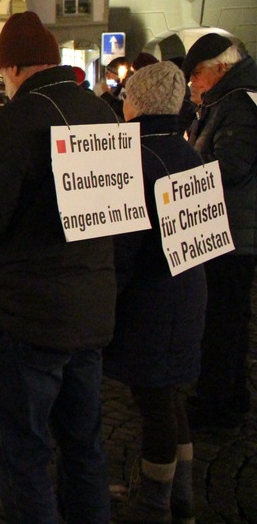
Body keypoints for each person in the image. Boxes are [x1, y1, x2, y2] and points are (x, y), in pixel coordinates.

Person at [0, 11, 117, 524]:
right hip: (90, 311)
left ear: (14, 67)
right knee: (84, 450)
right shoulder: (101, 114)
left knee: (21, 456)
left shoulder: (11, 125)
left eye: (2, 74)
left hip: (26, 315)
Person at [105, 61, 206, 523]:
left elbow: (124, 247)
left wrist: (107, 296)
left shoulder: (136, 158)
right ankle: (181, 497)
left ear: (137, 103)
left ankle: (155, 505)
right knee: (169, 397)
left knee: (155, 404)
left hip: (151, 301)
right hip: (187, 292)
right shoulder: (189, 152)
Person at [183, 33, 257, 431]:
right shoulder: (224, 100)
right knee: (228, 318)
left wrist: (189, 164)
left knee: (222, 320)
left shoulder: (238, 103)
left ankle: (217, 401)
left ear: (221, 67)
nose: (193, 82)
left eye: (197, 74)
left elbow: (233, 165)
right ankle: (229, 394)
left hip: (232, 230)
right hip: (228, 226)